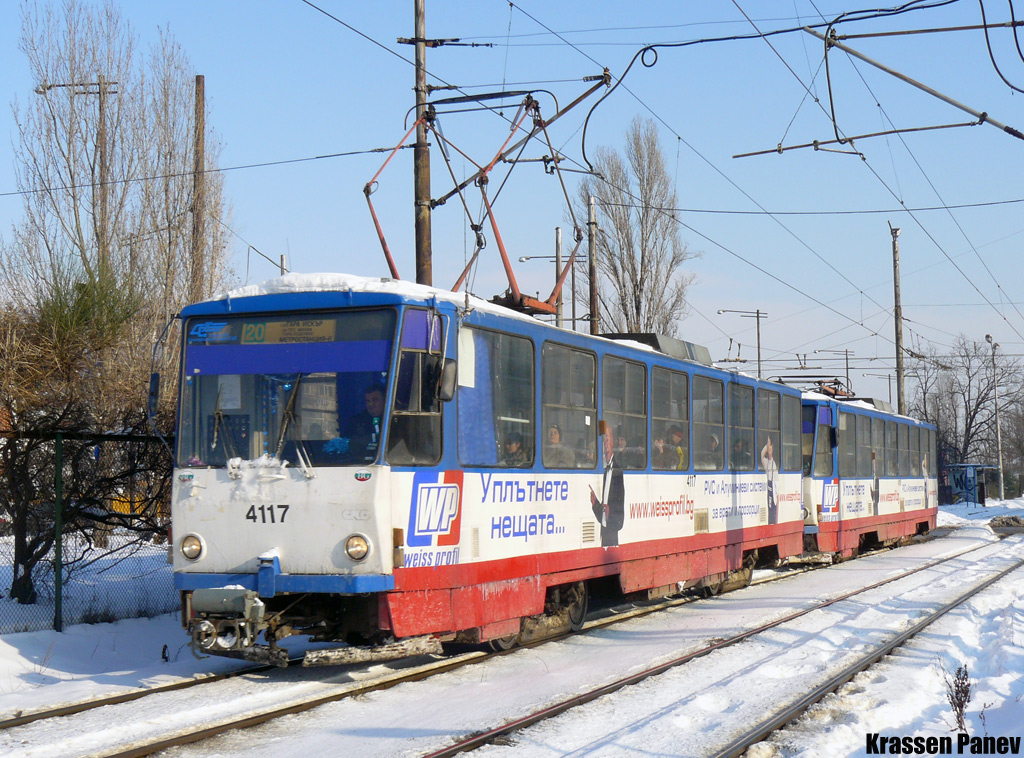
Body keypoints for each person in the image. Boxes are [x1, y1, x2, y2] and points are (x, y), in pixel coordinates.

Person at [590, 426, 625, 546]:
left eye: (607, 439)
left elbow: (620, 506)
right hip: (604, 533)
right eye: (603, 440)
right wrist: (595, 504)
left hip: (612, 533)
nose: (605, 443)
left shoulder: (617, 469)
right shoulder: (605, 468)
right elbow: (604, 512)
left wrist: (611, 513)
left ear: (613, 441)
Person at [340, 384, 385, 461]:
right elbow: (348, 443)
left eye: (375, 400)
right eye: (368, 401)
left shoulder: (394, 420)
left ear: (385, 400)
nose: (370, 404)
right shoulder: (357, 422)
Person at [760, 436, 778, 525]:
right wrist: (766, 447)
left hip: (774, 490)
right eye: (768, 445)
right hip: (769, 488)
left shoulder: (774, 463)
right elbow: (762, 455)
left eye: (770, 445)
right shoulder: (766, 461)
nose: (769, 447)